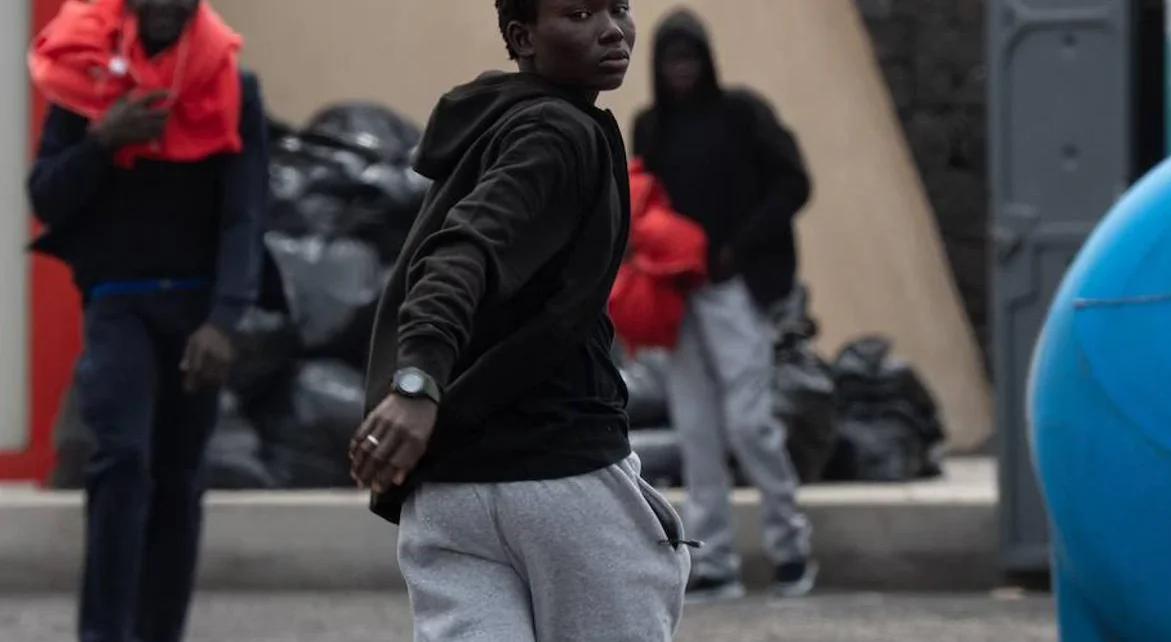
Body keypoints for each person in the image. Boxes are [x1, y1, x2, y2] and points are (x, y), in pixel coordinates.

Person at [347, 0, 691, 639]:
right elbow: (463, 250)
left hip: (449, 494)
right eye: (581, 13)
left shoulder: (491, 125)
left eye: (619, 7)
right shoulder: (558, 133)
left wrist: (420, 387)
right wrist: (417, 382)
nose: (612, 29)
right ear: (521, 36)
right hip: (559, 477)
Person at [26, 0, 267, 640]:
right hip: (118, 303)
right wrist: (103, 140)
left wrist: (225, 319)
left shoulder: (232, 85)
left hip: (197, 312)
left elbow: (244, 215)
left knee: (179, 477)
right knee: (122, 458)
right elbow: (45, 194)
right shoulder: (86, 83)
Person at [632, 8, 817, 602]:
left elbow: (794, 183)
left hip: (736, 289)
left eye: (688, 58)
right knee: (696, 431)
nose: (681, 71)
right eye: (670, 60)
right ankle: (714, 563)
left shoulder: (743, 114)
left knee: (749, 423)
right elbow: (644, 201)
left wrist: (739, 248)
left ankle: (791, 549)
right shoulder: (650, 127)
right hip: (676, 295)